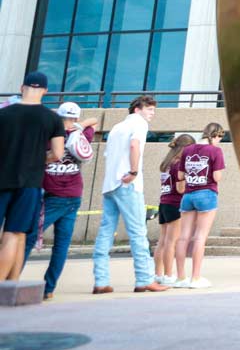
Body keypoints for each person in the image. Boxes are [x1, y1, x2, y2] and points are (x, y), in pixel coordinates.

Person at [92, 95, 168, 293]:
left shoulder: (116, 128)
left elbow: (109, 155)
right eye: (149, 109)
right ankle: (144, 279)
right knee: (137, 232)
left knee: (105, 232)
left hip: (110, 184)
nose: (152, 113)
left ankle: (101, 280)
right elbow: (135, 145)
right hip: (128, 184)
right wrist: (133, 171)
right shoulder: (139, 124)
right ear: (137, 109)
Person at [22, 100, 98, 298]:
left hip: (53, 196)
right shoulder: (81, 135)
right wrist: (80, 125)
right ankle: (49, 289)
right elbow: (95, 122)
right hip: (74, 196)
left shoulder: (49, 136)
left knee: (28, 237)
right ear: (76, 118)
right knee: (61, 245)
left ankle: (9, 281)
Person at [0, 72, 65, 282]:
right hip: (29, 183)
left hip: (2, 178)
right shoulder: (52, 118)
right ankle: (8, 285)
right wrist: (37, 159)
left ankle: (11, 284)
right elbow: (57, 153)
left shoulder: (4, 114)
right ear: (45, 91)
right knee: (15, 234)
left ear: (22, 88)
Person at [174, 122, 226, 289]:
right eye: (220, 138)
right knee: (200, 237)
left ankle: (180, 277)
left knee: (183, 237)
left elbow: (181, 174)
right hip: (207, 194)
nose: (219, 141)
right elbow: (217, 177)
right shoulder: (215, 151)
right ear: (215, 135)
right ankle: (195, 278)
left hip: (188, 195)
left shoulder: (188, 149)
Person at [152, 133, 194, 287]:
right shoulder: (178, 165)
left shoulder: (166, 164)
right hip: (175, 203)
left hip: (164, 202)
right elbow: (180, 188)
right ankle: (169, 274)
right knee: (172, 242)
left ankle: (158, 273)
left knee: (162, 241)